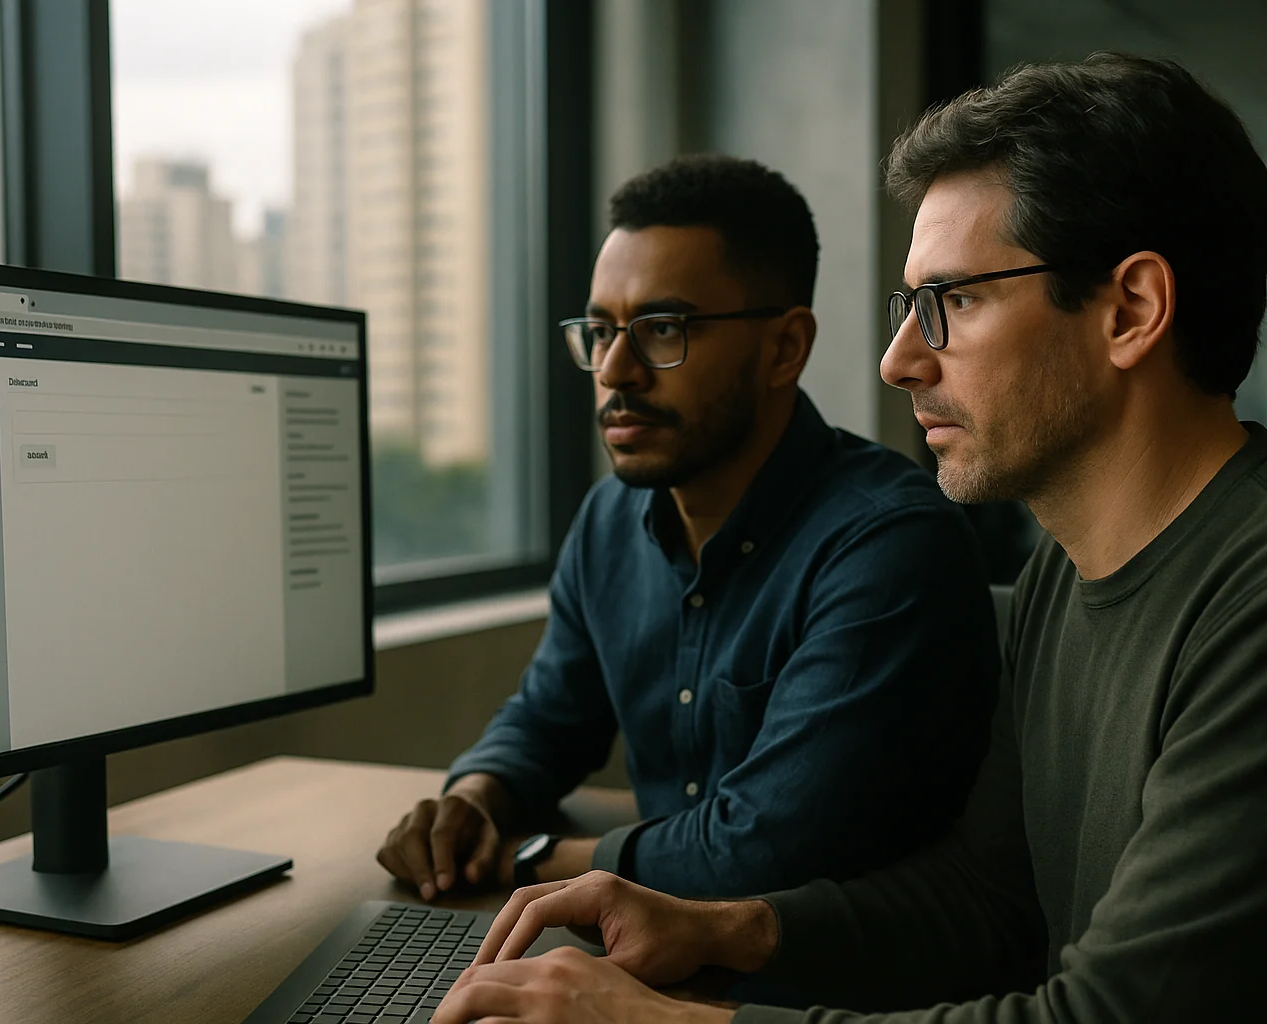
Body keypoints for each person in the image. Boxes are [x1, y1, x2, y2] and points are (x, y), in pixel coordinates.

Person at [432, 54, 1267, 1023]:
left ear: (1130, 310)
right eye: (909, 305)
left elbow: (1107, 1014)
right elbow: (985, 902)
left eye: (952, 301)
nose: (898, 360)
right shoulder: (1061, 574)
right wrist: (727, 929)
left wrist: (659, 1020)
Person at [376, 155, 999, 902]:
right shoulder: (609, 520)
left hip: (817, 966)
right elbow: (548, 718)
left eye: (662, 329)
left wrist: (528, 858)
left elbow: (761, 848)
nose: (615, 371)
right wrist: (473, 801)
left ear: (784, 348)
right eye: (600, 332)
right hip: (649, 939)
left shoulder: (887, 544)